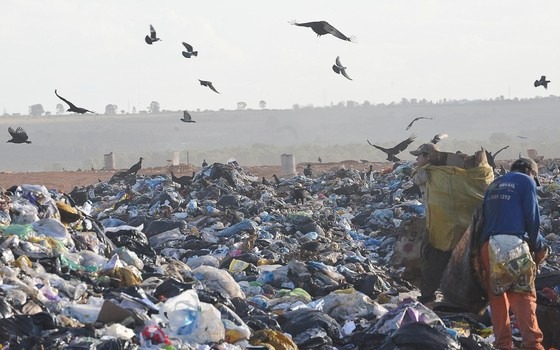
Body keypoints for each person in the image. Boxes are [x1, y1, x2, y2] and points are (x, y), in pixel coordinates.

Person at [479, 157, 549, 350]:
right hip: (511, 245)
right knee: (523, 296)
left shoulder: (494, 184)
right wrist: (538, 246)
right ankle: (532, 344)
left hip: (487, 246)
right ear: (531, 172)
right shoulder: (526, 181)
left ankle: (503, 345)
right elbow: (532, 218)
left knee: (498, 298)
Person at [410, 142, 450, 303]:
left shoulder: (427, 173)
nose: (417, 159)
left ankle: (428, 295)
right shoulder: (446, 172)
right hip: (450, 221)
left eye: (419, 156)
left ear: (428, 157)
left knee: (429, 256)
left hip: (437, 223)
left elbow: (415, 178)